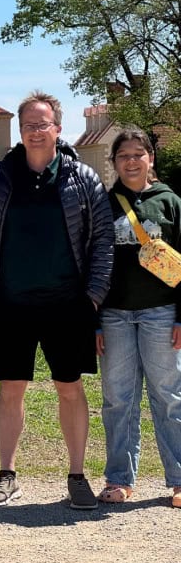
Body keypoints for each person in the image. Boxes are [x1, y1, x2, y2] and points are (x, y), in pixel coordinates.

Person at [0, 90, 114, 510]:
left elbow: (102, 239)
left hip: (67, 303)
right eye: (28, 125)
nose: (35, 131)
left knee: (69, 388)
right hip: (9, 303)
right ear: (21, 130)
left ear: (57, 128)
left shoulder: (81, 177)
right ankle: (6, 475)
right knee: (10, 389)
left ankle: (77, 476)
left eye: (42, 124)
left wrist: (92, 297)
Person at [96, 127, 181, 509]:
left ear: (150, 158)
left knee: (169, 397)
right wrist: (94, 320)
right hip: (114, 315)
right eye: (123, 156)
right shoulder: (102, 204)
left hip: (162, 312)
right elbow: (91, 264)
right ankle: (119, 479)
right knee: (118, 399)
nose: (131, 162)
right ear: (114, 163)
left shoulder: (171, 203)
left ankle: (179, 480)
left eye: (138, 154)